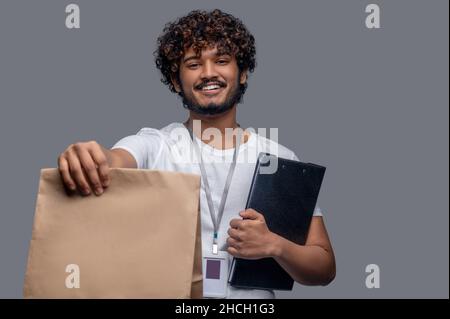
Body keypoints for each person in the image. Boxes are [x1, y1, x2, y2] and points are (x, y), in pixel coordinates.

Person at [57, 9, 335, 298]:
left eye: (222, 60)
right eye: (193, 64)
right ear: (176, 81)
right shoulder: (157, 145)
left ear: (243, 74)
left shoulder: (279, 159)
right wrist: (92, 156)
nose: (209, 72)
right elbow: (116, 159)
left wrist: (275, 245)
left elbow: (325, 267)